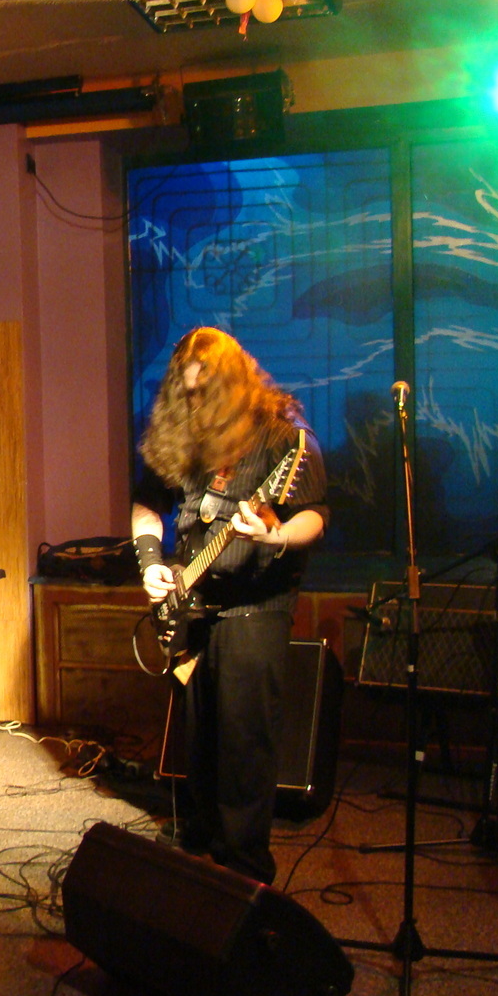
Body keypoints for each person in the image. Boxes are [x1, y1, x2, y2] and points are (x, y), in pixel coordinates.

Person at [131, 326, 327, 884]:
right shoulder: (183, 433)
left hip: (256, 603)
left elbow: (315, 514)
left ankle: (244, 865)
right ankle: (200, 833)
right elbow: (147, 504)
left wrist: (275, 535)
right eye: (186, 393)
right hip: (194, 599)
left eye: (203, 393)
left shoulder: (283, 435)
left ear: (231, 384)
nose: (194, 404)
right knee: (198, 732)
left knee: (245, 738)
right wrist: (150, 563)